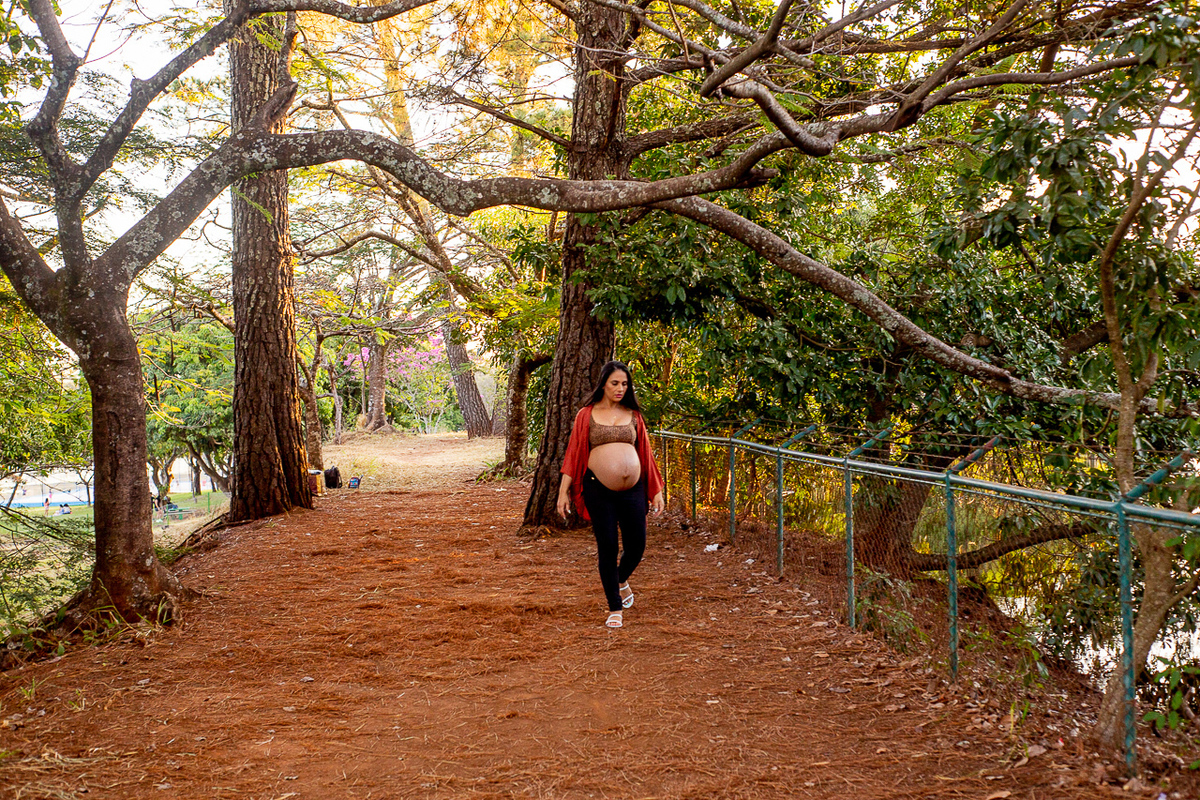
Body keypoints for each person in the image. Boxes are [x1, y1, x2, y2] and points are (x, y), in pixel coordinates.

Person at [557, 360, 664, 629]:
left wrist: (657, 491)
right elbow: (573, 453)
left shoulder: (634, 415)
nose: (620, 388)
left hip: (634, 489)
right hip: (598, 488)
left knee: (637, 545)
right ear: (603, 383)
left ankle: (619, 579)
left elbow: (646, 455)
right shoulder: (587, 414)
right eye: (615, 383)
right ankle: (614, 606)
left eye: (625, 384)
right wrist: (563, 492)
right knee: (608, 547)